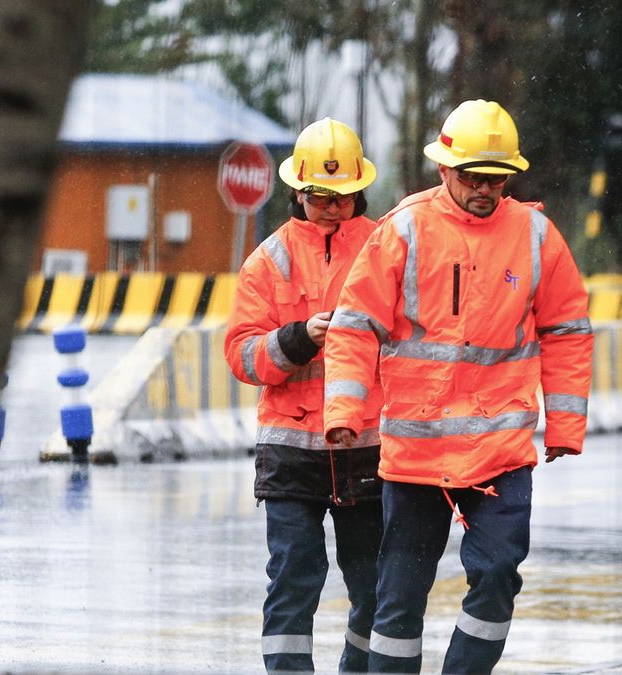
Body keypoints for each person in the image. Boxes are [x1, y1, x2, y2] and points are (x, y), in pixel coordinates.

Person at [323, 99, 594, 674]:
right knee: (398, 600)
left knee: (498, 576)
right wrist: (344, 408)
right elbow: (354, 324)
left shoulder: (536, 236)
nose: (484, 190)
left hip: (499, 454)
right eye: (472, 177)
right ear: (443, 170)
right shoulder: (404, 229)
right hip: (415, 456)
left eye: (496, 180)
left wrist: (566, 425)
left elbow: (568, 328)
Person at [224, 117, 385, 674]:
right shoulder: (268, 260)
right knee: (293, 579)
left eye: (341, 197)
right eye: (320, 197)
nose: (331, 208)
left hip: (368, 447)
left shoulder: (385, 246)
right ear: (297, 190)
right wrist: (299, 338)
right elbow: (243, 355)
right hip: (292, 451)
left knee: (374, 585)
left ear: (359, 189)